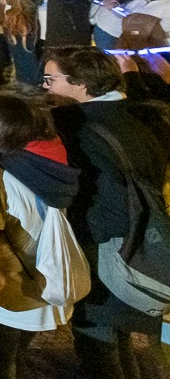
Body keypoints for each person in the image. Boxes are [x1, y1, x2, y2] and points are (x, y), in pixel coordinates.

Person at [44, 47, 170, 379]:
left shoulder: (70, 124)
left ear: (81, 84)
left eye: (50, 79)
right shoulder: (148, 114)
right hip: (145, 238)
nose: (44, 87)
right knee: (121, 331)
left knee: (96, 340)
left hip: (99, 245)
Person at [0, 94, 81, 379]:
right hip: (42, 284)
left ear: (3, 133)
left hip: (7, 294)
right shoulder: (50, 165)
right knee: (16, 357)